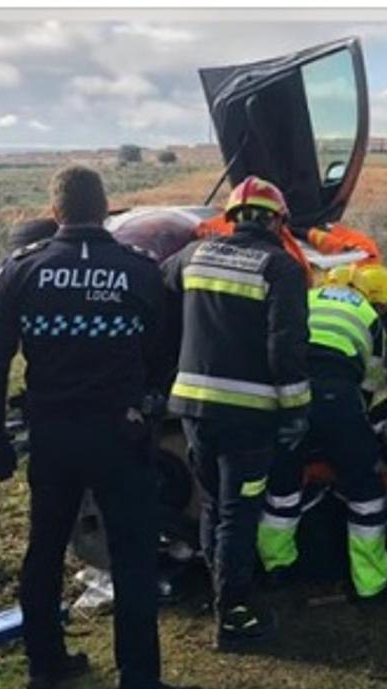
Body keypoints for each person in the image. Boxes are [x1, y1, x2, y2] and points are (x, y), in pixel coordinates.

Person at [0, 165, 196, 689]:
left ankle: (44, 665)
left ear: (55, 213)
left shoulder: (24, 269)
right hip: (121, 433)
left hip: (53, 434)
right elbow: (165, 348)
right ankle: (139, 679)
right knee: (134, 555)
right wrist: (147, 400)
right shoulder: (138, 269)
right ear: (105, 210)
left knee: (45, 549)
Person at [160, 175, 310, 651]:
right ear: (275, 220)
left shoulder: (191, 257)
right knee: (238, 513)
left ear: (231, 218)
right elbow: (286, 347)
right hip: (249, 416)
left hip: (193, 409)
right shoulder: (280, 268)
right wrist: (296, 411)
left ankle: (219, 591)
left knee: (210, 503)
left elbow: (158, 292)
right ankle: (234, 616)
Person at [257, 262, 387, 601]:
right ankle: (371, 583)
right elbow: (371, 383)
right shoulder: (368, 314)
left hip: (290, 395)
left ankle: (276, 569)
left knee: (282, 488)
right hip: (339, 396)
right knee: (365, 493)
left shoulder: (307, 297)